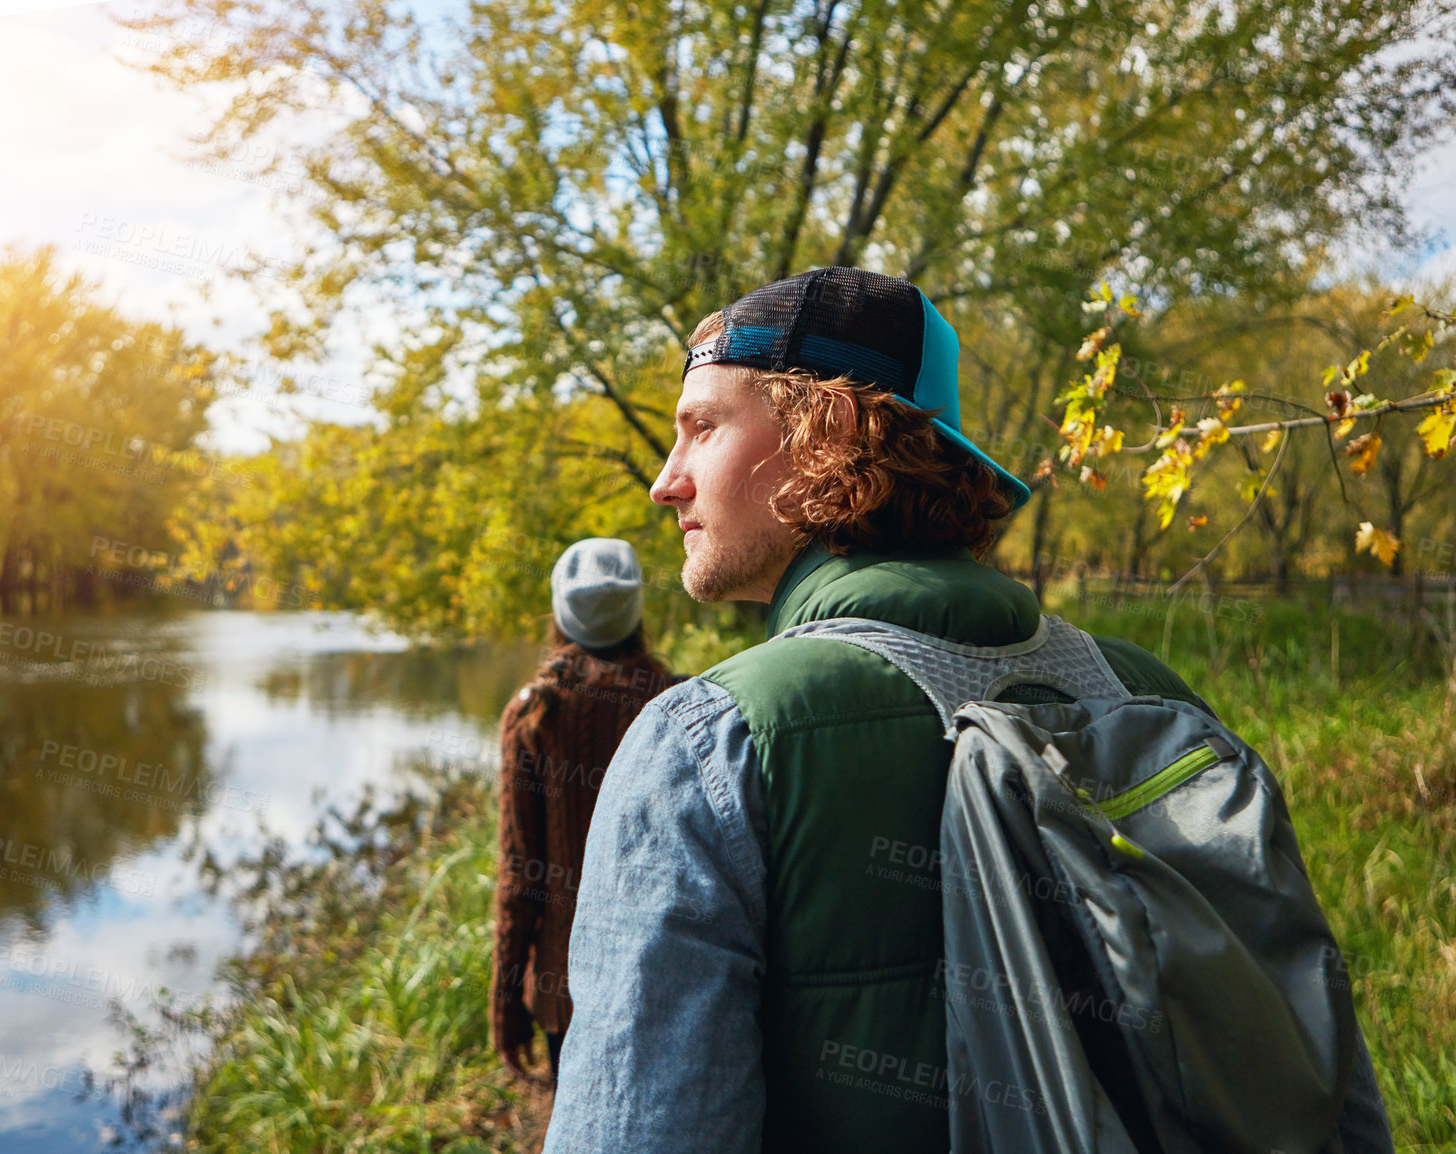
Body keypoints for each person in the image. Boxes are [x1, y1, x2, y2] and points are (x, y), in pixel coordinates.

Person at [542, 268, 1390, 1152]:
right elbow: (1327, 1073)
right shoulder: (1154, 693)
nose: (665, 481)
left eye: (703, 427)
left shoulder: (706, 742)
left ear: (821, 432)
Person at [490, 537, 678, 1086]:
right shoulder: (679, 700)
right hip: (666, 974)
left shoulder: (534, 713)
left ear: (559, 612)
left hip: (564, 985)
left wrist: (505, 1001)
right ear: (636, 611)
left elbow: (519, 875)